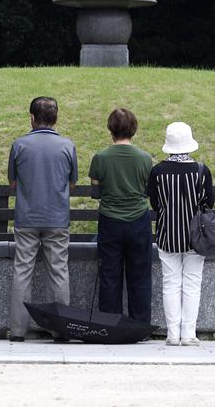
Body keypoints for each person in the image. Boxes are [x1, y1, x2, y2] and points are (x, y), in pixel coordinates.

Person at [8, 96, 78, 342]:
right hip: (57, 218)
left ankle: (17, 330)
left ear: (31, 117)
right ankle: (60, 330)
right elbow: (71, 182)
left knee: (22, 270)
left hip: (26, 217)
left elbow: (13, 182)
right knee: (58, 271)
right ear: (56, 118)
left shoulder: (19, 145)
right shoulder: (68, 146)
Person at [146, 121, 215, 346]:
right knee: (193, 282)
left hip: (168, 234)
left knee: (170, 283)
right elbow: (209, 202)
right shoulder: (202, 171)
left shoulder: (157, 172)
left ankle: (172, 334)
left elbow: (155, 204)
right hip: (197, 237)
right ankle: (189, 334)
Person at [89, 107, 154, 326]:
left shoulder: (100, 158)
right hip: (139, 220)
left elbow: (95, 193)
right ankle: (140, 325)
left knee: (109, 276)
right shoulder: (145, 159)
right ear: (134, 129)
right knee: (140, 276)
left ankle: (109, 324)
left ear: (111, 129)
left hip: (110, 221)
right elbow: (147, 191)